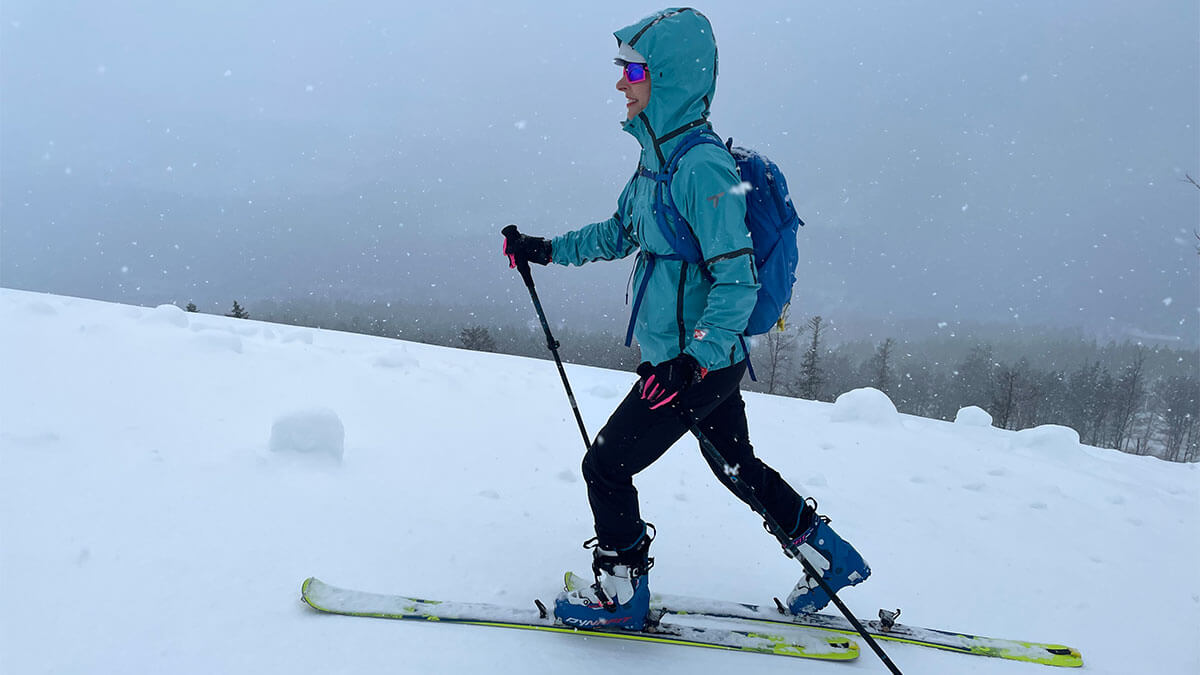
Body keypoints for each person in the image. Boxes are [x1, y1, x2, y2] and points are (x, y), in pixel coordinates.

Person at [502, 8, 869, 631]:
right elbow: (620, 232)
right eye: (623, 71)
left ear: (668, 79)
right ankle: (830, 556)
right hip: (694, 361)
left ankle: (622, 595)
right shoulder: (657, 161)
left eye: (635, 71)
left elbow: (737, 275)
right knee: (735, 466)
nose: (622, 83)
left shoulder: (702, 167)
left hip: (695, 363)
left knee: (606, 467)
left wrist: (691, 360)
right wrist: (546, 248)